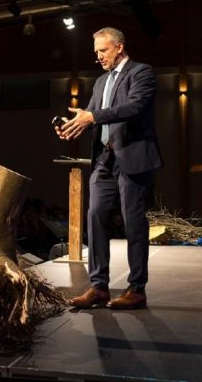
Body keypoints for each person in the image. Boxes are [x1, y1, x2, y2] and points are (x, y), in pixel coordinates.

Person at [55, 27, 162, 310]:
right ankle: (99, 287)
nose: (99, 57)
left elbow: (133, 107)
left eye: (103, 50)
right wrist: (72, 126)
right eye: (96, 52)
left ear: (119, 47)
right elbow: (92, 116)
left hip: (132, 158)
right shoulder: (101, 81)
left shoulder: (141, 72)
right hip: (104, 159)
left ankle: (137, 289)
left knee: (133, 222)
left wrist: (91, 116)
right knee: (95, 216)